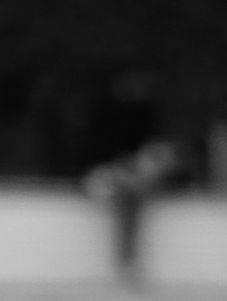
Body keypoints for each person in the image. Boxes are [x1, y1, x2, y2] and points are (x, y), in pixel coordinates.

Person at [78, 66, 182, 283]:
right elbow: (94, 158)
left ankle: (128, 262)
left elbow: (154, 154)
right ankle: (128, 262)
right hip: (106, 176)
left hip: (131, 177)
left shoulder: (144, 116)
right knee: (127, 197)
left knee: (131, 195)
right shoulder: (103, 116)